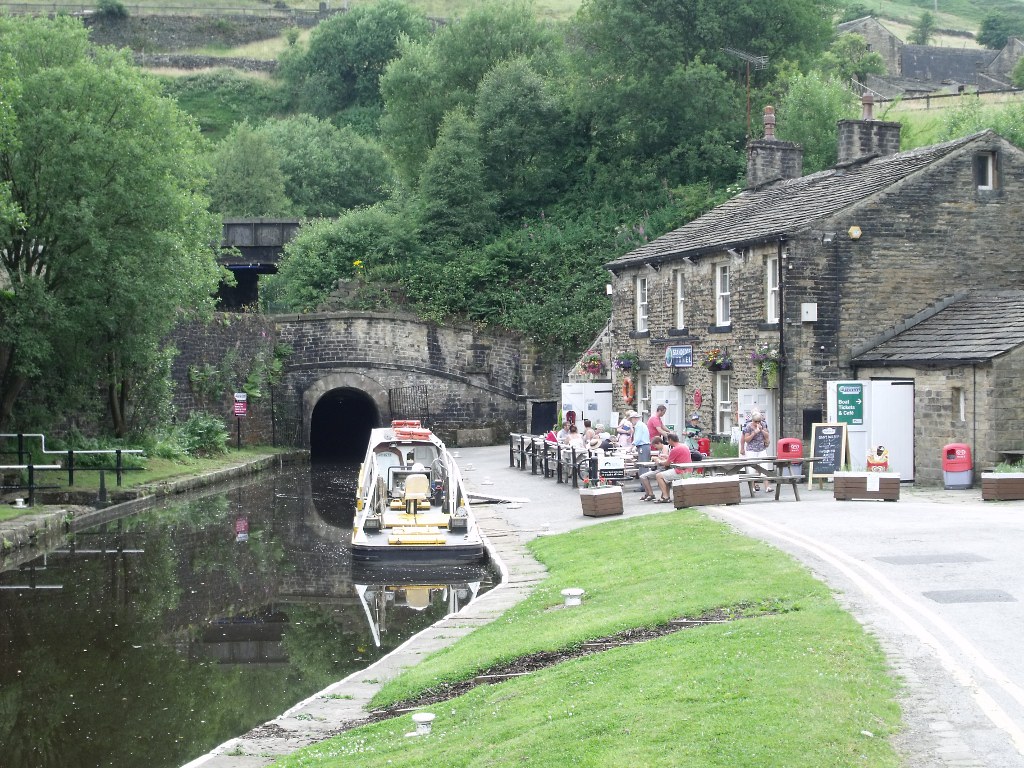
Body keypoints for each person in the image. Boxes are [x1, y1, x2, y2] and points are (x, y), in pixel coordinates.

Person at [742, 408, 773, 493]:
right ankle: (752, 487)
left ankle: (767, 487)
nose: (757, 423)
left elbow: (767, 436)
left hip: (761, 449)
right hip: (751, 450)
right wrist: (754, 433)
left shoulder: (763, 425)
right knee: (752, 468)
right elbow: (746, 439)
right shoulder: (748, 426)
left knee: (764, 467)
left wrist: (761, 430)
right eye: (756, 421)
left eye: (759, 421)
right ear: (752, 420)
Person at [655, 433, 692, 502]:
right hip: (688, 470)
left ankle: (665, 496)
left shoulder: (675, 449)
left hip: (680, 471)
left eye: (668, 441)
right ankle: (666, 495)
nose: (668, 442)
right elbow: (677, 458)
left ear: (671, 440)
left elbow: (667, 463)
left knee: (659, 476)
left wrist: (658, 461)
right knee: (666, 475)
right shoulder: (684, 446)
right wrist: (667, 457)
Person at [639, 436, 668, 500]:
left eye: (655, 446)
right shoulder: (661, 449)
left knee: (644, 477)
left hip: (663, 469)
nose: (655, 447)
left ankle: (651, 494)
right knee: (642, 476)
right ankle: (648, 493)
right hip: (659, 468)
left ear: (659, 443)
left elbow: (664, 459)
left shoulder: (665, 448)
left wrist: (655, 458)